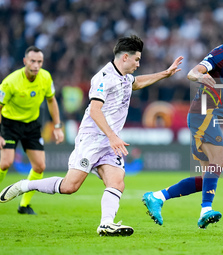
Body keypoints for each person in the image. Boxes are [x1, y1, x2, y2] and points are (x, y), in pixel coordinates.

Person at [0, 35, 183, 237]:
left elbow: (136, 83)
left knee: (117, 180)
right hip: (92, 139)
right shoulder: (103, 78)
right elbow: (95, 110)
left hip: (108, 141)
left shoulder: (123, 77)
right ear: (124, 57)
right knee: (70, 186)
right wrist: (113, 137)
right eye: (137, 59)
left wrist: (165, 74)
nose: (138, 64)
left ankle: (106, 224)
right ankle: (24, 186)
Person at [142, 17, 223, 229]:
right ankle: (205, 210)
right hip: (201, 113)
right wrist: (200, 77)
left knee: (207, 179)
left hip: (209, 115)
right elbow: (193, 72)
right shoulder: (220, 54)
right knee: (220, 160)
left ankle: (157, 197)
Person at [0, 46, 64, 215]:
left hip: (31, 125)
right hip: (9, 124)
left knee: (40, 166)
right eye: (33, 61)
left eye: (39, 62)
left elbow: (51, 101)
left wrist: (57, 126)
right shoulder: (10, 82)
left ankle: (24, 205)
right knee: (5, 162)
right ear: (25, 61)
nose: (36, 65)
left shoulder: (45, 77)